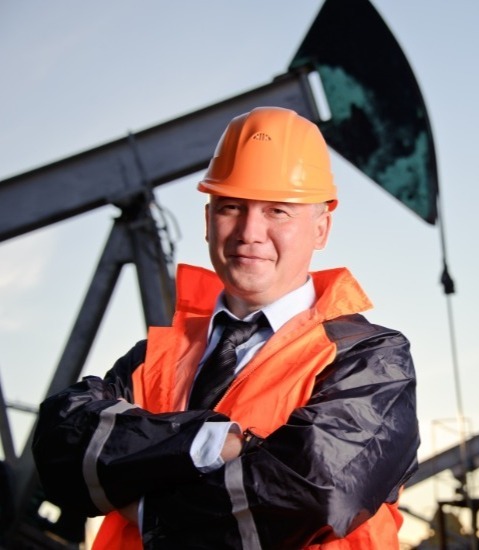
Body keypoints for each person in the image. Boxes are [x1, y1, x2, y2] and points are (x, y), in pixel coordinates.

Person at [32, 106, 419, 549]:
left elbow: (315, 495)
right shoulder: (157, 355)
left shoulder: (371, 359)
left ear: (321, 229)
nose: (249, 232)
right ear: (207, 220)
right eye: (231, 207)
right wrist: (210, 442)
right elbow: (61, 448)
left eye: (277, 211)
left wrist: (143, 503)